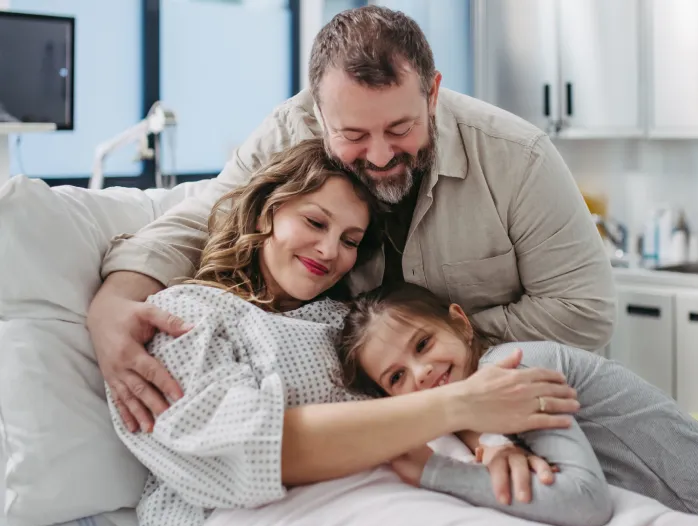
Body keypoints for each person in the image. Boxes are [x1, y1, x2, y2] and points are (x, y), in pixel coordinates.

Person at [86, 5, 616, 443]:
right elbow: (206, 219)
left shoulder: (516, 157)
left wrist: (430, 350)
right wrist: (114, 303)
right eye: (354, 136)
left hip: (518, 411)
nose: (381, 154)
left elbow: (585, 311)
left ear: (432, 94)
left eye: (401, 127)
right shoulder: (289, 132)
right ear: (318, 114)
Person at [109, 139, 583, 526]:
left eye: (351, 240)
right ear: (265, 215)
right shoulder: (185, 315)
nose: (329, 250)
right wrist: (463, 406)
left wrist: (492, 439)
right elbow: (256, 450)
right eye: (315, 222)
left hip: (410, 496)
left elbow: (429, 385)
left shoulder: (345, 322)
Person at [337, 282, 698, 526]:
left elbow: (586, 505)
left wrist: (432, 471)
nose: (422, 373)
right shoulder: (474, 398)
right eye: (397, 377)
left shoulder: (518, 367)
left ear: (461, 322)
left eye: (423, 343)